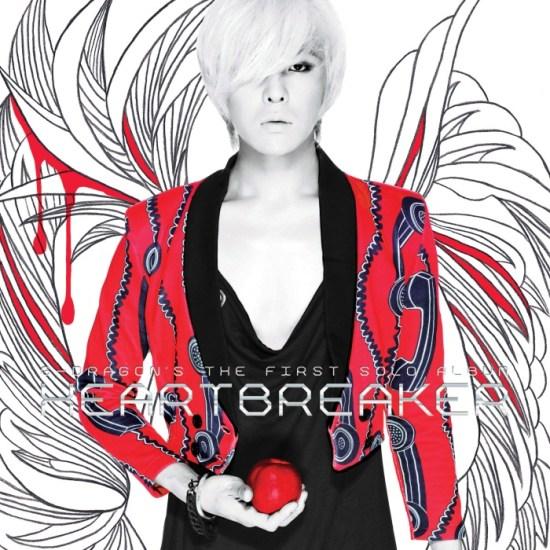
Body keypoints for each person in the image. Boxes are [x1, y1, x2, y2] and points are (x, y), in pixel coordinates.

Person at [76, 0, 464, 548]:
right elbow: (102, 392)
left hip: (349, 530)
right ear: (221, 86)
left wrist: (444, 539)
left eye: (298, 66)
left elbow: (418, 398)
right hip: (207, 533)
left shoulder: (394, 225)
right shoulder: (158, 230)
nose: (275, 92)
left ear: (327, 79)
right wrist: (193, 488)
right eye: (253, 68)